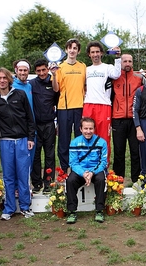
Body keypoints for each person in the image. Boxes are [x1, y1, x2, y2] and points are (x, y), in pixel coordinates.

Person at [0, 67, 36, 220]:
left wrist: (30, 138)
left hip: (22, 140)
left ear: (9, 79)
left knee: (23, 175)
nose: (2, 81)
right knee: (8, 176)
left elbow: (29, 118)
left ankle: (25, 207)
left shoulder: (20, 94)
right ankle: (9, 208)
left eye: (4, 78)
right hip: (5, 141)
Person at [51, 38, 86, 174]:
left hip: (80, 107)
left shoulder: (83, 66)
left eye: (75, 48)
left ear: (78, 51)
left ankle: (80, 168)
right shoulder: (59, 67)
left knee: (80, 139)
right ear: (66, 50)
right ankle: (65, 170)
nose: (72, 50)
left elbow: (85, 85)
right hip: (64, 108)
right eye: (69, 48)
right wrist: (53, 75)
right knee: (64, 140)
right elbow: (55, 89)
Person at [83, 41, 121, 164]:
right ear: (89, 54)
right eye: (92, 52)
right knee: (87, 136)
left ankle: (103, 166)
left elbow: (116, 74)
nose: (95, 54)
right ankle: (87, 165)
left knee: (104, 137)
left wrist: (118, 57)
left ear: (102, 53)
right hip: (88, 105)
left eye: (97, 52)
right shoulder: (86, 69)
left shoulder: (107, 67)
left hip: (104, 106)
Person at [65, 117, 107, 224]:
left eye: (91, 129)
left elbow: (103, 162)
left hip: (95, 171)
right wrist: (83, 173)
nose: (88, 131)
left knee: (101, 179)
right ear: (80, 129)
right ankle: (72, 211)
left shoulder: (102, 142)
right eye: (86, 128)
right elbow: (73, 163)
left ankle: (99, 210)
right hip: (80, 171)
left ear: (94, 129)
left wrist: (92, 172)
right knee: (70, 181)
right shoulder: (74, 142)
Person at [111, 53, 143, 182]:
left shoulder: (139, 77)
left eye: (130, 61)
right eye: (125, 61)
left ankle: (136, 180)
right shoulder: (114, 77)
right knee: (119, 152)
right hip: (117, 119)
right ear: (121, 62)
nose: (127, 63)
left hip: (134, 120)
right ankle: (118, 181)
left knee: (136, 152)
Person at [30, 59, 59, 194]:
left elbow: (59, 103)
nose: (41, 73)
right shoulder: (31, 84)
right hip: (35, 126)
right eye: (38, 71)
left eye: (43, 70)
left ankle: (48, 182)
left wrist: (58, 122)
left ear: (48, 69)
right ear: (35, 71)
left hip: (49, 124)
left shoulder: (53, 83)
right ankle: (36, 183)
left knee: (49, 155)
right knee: (35, 155)